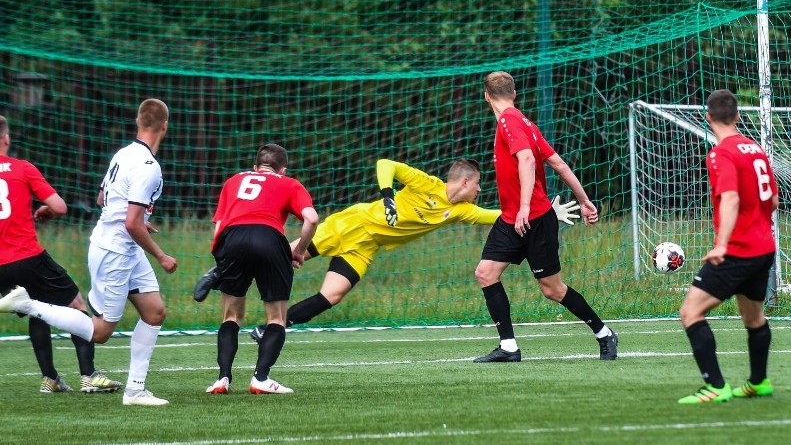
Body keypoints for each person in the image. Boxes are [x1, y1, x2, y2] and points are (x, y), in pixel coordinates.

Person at [193, 158, 581, 340]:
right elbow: (385, 164)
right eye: (477, 184)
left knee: (333, 294)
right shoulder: (426, 183)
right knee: (282, 257)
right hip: (353, 223)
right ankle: (221, 271)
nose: (480, 190)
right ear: (463, 181)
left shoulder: (459, 210)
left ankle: (268, 330)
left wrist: (542, 213)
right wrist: (387, 196)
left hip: (368, 245)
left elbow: (497, 215)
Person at [0, 99, 177, 406]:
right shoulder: (149, 166)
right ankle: (28, 305)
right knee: (100, 332)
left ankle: (135, 391)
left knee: (154, 312)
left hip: (122, 244)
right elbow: (131, 222)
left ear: (138, 121)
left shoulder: (124, 154)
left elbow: (102, 199)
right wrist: (161, 255)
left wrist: (136, 222)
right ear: (165, 125)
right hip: (115, 250)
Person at [473, 71, 617, 363]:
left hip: (534, 219)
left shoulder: (510, 121)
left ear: (486, 96)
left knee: (552, 289)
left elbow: (527, 159)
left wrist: (525, 205)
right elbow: (559, 164)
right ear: (514, 93)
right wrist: (584, 200)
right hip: (512, 220)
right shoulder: (524, 122)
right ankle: (509, 348)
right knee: (485, 273)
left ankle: (604, 334)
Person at [0, 115, 122, 394]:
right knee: (75, 305)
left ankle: (50, 378)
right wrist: (47, 210)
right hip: (27, 257)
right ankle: (89, 376)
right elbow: (60, 206)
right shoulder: (22, 168)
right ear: (6, 138)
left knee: (36, 308)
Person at [676, 89, 778, 404]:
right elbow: (773, 200)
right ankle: (758, 382)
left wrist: (721, 245)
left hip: (738, 250)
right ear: (737, 116)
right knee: (754, 318)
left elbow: (731, 198)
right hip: (764, 248)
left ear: (708, 118)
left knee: (690, 312)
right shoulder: (755, 148)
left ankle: (716, 386)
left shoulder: (721, 153)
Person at [204, 143, 319, 395]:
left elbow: (218, 227)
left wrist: (220, 265)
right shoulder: (289, 183)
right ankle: (261, 378)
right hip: (270, 239)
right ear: (283, 170)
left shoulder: (233, 181)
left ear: (256, 167)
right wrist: (299, 251)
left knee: (231, 316)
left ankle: (222, 379)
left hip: (231, 239)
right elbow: (311, 218)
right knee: (276, 317)